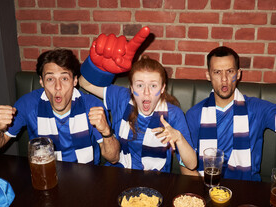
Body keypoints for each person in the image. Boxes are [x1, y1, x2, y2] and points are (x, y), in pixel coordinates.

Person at [184, 46, 276, 180]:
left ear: (238, 74)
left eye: (230, 71)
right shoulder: (194, 114)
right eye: (217, 72)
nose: (224, 79)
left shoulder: (257, 108)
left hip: (247, 187)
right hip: (208, 184)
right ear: (208, 76)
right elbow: (185, 164)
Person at [78, 27, 197, 172]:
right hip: (117, 174)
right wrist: (99, 66)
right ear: (132, 88)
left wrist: (178, 138)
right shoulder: (122, 98)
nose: (146, 92)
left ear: (162, 88)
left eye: (153, 85)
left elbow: (191, 165)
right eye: (140, 85)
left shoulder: (173, 114)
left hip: (155, 182)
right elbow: (84, 83)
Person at [0, 48, 120, 165]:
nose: (57, 87)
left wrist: (106, 132)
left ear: (75, 80)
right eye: (50, 79)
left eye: (64, 78)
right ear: (41, 81)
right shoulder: (28, 104)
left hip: (88, 178)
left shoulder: (91, 105)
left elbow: (113, 158)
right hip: (46, 175)